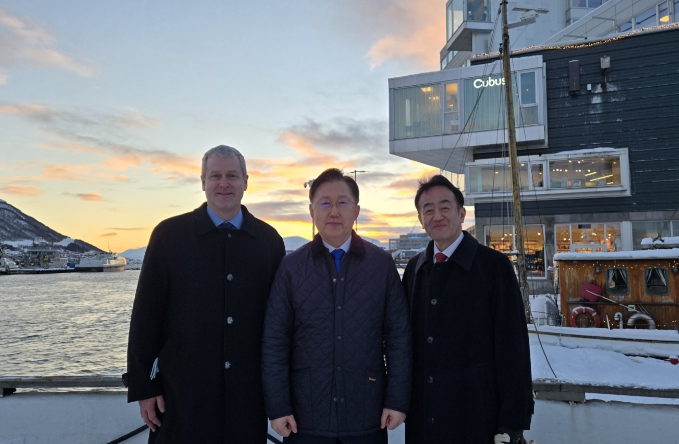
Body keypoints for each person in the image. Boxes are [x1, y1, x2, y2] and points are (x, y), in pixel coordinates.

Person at [126, 145, 285, 443]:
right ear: (202, 182)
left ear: (246, 181)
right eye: (215, 176)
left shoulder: (269, 241)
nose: (224, 184)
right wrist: (144, 387)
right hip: (181, 397)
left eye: (232, 176)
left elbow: (279, 323)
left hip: (246, 399)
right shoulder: (169, 235)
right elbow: (146, 317)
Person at [262, 168, 412, 444]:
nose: (334, 211)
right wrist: (278, 406)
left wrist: (397, 400)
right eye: (325, 203)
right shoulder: (291, 268)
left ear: (356, 211)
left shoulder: (381, 265)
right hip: (305, 416)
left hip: (367, 412)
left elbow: (399, 336)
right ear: (312, 211)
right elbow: (275, 339)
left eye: (342, 202)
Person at [402, 175, 533, 444]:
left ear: (461, 214)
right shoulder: (415, 269)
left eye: (445, 207)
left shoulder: (494, 266)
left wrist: (513, 422)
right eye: (428, 210)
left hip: (478, 417)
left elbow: (513, 347)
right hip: (424, 417)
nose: (437, 216)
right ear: (421, 219)